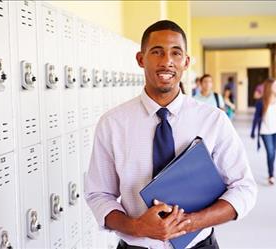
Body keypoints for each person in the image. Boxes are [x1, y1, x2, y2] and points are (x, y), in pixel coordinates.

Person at [85, 20, 257, 249]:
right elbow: (99, 194)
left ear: (186, 62)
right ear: (140, 59)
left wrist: (189, 223)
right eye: (157, 52)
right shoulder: (113, 124)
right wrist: (137, 226)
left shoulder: (213, 120)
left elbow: (244, 188)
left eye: (176, 53)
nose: (167, 61)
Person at [251, 78, 276, 185]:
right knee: (270, 152)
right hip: (265, 131)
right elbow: (256, 117)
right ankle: (271, 175)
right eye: (275, 86)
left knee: (273, 153)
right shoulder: (261, 101)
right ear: (269, 87)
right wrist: (253, 131)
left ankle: (271, 173)